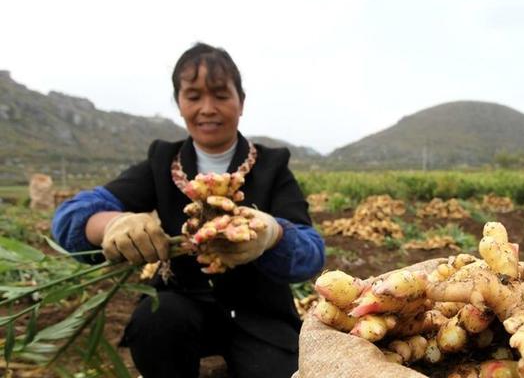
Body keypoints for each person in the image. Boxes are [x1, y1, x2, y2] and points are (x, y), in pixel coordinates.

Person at [52, 43, 325, 378]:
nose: (207, 108)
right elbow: (71, 217)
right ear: (179, 104)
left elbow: (312, 252)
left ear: (241, 101)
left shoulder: (272, 165)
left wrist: (272, 234)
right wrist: (114, 224)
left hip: (261, 315)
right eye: (193, 96)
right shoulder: (163, 162)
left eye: (221, 95)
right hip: (181, 307)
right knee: (156, 322)